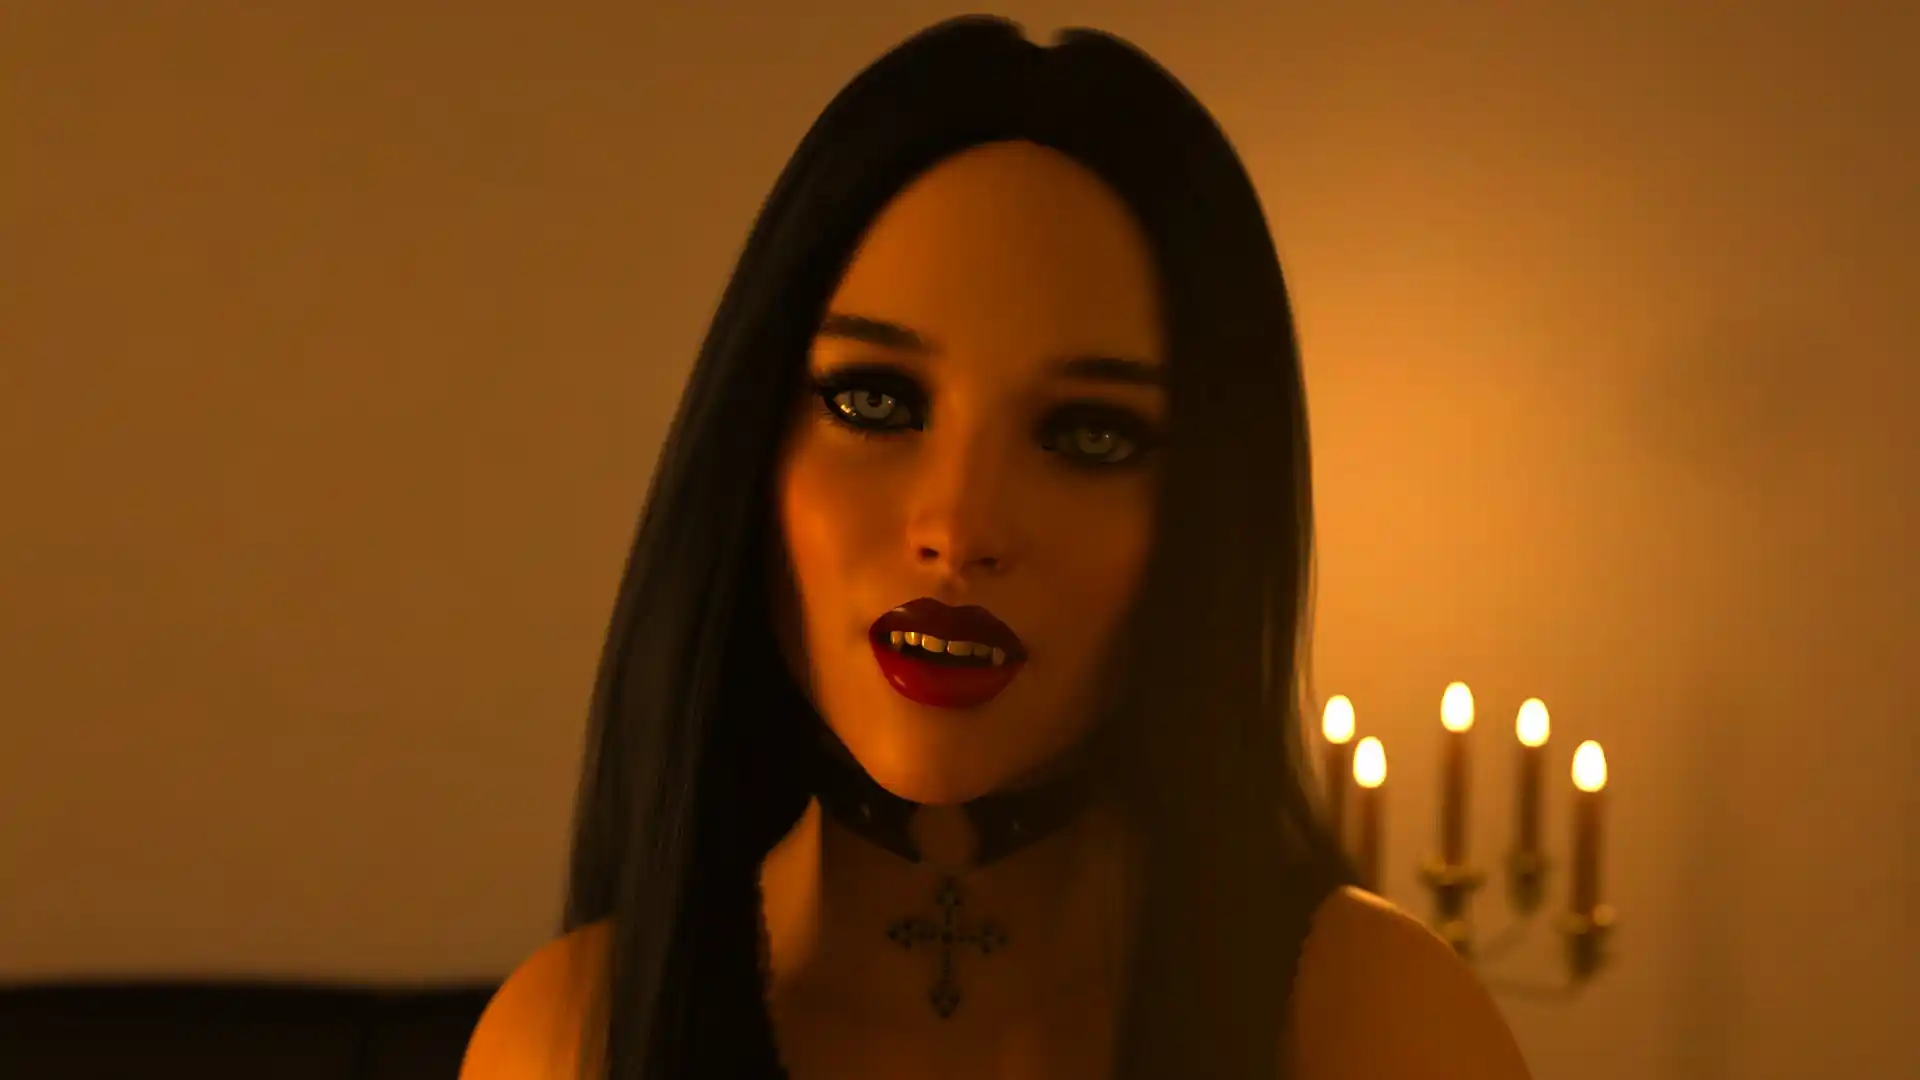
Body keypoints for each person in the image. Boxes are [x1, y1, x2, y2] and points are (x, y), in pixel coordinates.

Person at [461, 15, 1531, 1080]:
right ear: (750, 447)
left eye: (1090, 436)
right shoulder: (574, 1036)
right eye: (875, 402)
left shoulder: (1377, 1019)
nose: (960, 530)